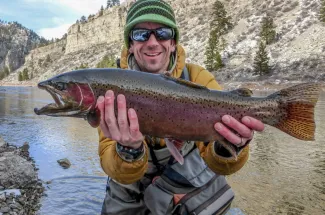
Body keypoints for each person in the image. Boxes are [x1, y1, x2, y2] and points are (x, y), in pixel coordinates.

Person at [96, 0, 264, 214]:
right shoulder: (111, 86)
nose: (153, 42)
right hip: (131, 194)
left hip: (182, 187)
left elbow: (221, 165)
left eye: (163, 33)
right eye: (141, 34)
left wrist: (229, 147)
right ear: (130, 44)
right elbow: (112, 166)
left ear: (173, 42)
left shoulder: (197, 77)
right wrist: (129, 150)